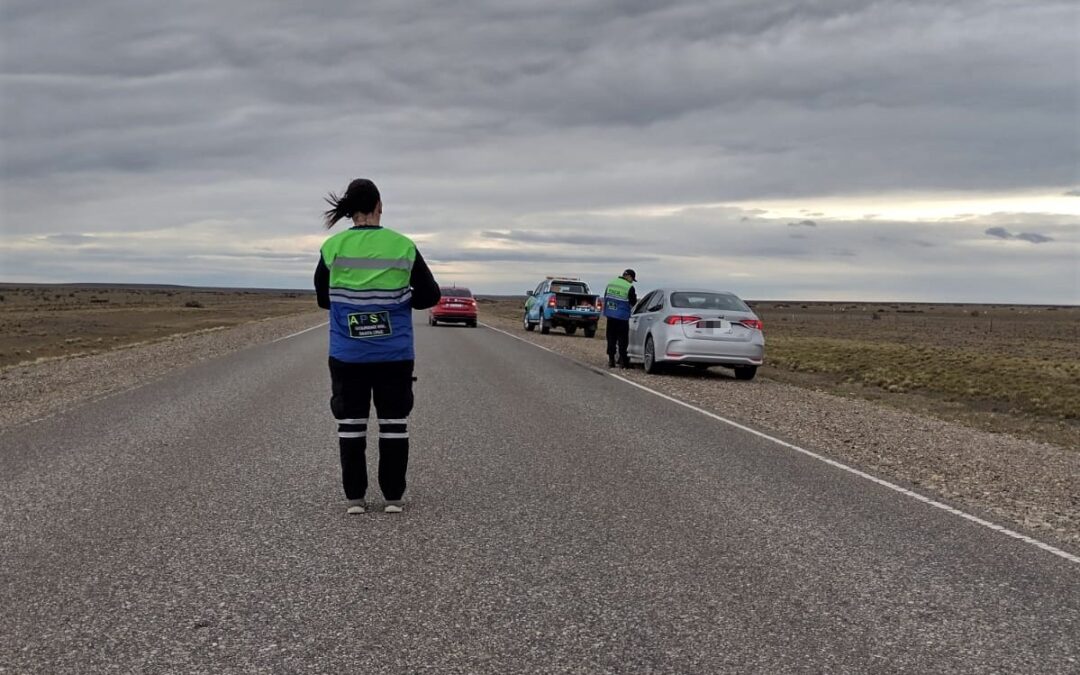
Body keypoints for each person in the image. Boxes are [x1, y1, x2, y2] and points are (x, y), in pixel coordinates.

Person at [314, 178, 440, 515]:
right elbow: (431, 295)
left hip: (347, 352)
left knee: (351, 424)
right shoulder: (402, 246)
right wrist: (397, 300)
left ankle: (355, 498)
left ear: (350, 210)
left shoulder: (333, 247)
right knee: (394, 424)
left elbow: (323, 300)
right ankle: (393, 498)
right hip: (394, 353)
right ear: (379, 206)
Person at [602, 269, 638, 368]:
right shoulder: (629, 287)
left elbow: (606, 297)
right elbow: (633, 303)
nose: (632, 281)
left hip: (611, 316)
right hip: (622, 318)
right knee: (623, 340)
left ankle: (611, 360)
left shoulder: (611, 283)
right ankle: (624, 362)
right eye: (632, 279)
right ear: (629, 277)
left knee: (611, 338)